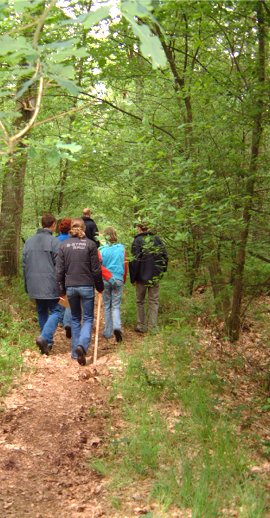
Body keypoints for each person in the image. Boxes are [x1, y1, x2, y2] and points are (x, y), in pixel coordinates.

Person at [56, 218, 104, 366]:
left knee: (75, 318)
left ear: (72, 228)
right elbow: (96, 269)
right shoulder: (90, 245)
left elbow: (59, 271)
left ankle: (75, 353)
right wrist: (100, 286)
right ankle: (82, 346)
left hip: (71, 286)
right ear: (84, 228)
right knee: (88, 318)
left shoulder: (64, 245)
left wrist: (62, 289)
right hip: (86, 286)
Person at [22, 213, 61, 355]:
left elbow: (24, 265)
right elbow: (60, 266)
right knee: (58, 311)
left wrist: (27, 284)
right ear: (53, 225)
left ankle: (47, 344)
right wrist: (62, 285)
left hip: (34, 284)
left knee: (42, 311)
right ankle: (45, 337)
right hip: (50, 284)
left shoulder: (29, 242)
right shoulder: (54, 242)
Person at [129, 221, 168, 333]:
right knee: (153, 301)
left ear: (140, 228)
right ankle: (152, 327)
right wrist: (162, 271)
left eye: (137, 227)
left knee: (140, 301)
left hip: (141, 277)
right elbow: (165, 256)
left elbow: (134, 261)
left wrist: (133, 278)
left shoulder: (137, 241)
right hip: (155, 276)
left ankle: (141, 325)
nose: (136, 229)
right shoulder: (156, 239)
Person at [98, 226, 128, 343]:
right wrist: (123, 279)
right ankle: (117, 327)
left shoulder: (101, 250)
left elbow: (99, 267)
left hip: (106, 280)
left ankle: (108, 332)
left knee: (107, 306)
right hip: (118, 279)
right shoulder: (122, 249)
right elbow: (125, 266)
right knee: (116, 306)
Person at [57, 218, 72, 338]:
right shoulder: (72, 241)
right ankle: (67, 320)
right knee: (69, 297)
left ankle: (61, 320)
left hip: (58, 271)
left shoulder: (55, 240)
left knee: (61, 295)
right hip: (71, 271)